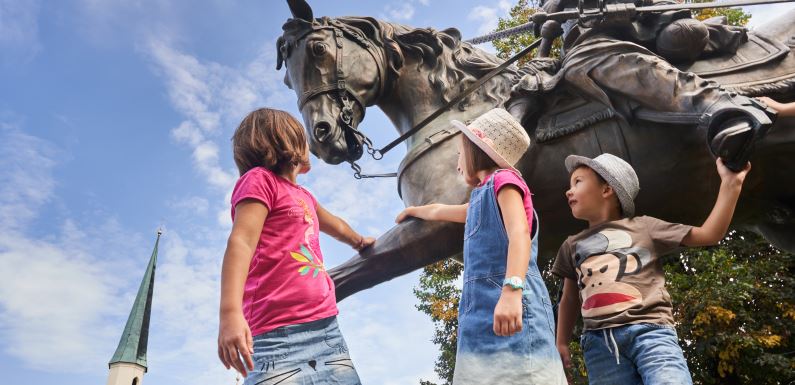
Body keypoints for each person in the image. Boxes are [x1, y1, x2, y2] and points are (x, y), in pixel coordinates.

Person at [396, 108, 567, 385]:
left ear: (477, 150)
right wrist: (415, 211)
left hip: (511, 300)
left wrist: (512, 289)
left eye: (459, 153)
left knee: (526, 374)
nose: (458, 162)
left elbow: (519, 233)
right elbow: (443, 211)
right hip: (479, 313)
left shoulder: (505, 182)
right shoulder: (479, 198)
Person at [553, 152, 751, 384]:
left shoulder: (644, 227)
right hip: (600, 346)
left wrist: (731, 184)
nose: (569, 190)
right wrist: (562, 342)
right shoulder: (572, 245)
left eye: (578, 181)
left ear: (607, 190)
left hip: (650, 330)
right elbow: (569, 299)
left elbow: (709, 234)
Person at [217, 108, 373, 384]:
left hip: (326, 330)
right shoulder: (260, 181)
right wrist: (230, 313)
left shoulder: (304, 197)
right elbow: (241, 241)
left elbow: (334, 224)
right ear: (285, 142)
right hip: (275, 338)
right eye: (302, 139)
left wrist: (358, 241)